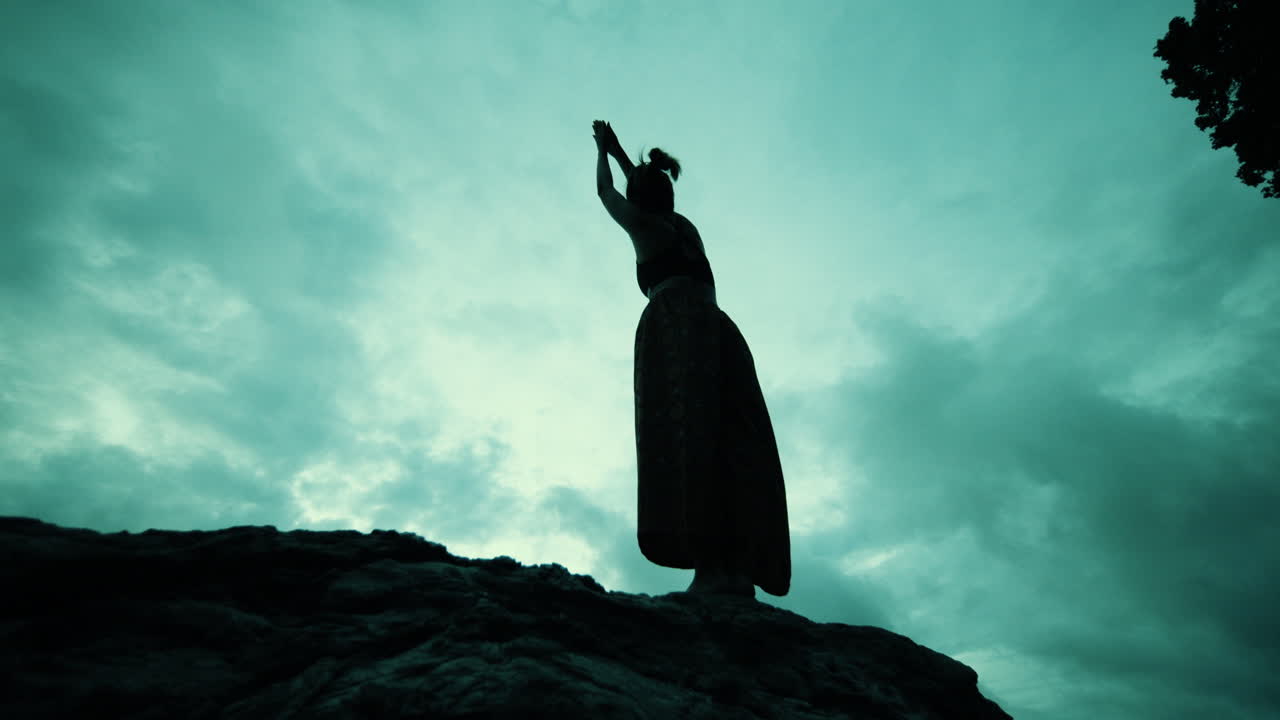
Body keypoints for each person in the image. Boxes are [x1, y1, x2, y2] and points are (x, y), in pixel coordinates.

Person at [592, 120, 790, 598]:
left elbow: (607, 193)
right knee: (730, 437)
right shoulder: (684, 228)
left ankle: (711, 571)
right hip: (716, 326)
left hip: (674, 328)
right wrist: (621, 153)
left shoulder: (641, 225)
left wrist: (603, 153)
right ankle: (737, 570)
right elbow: (645, 188)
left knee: (688, 440)